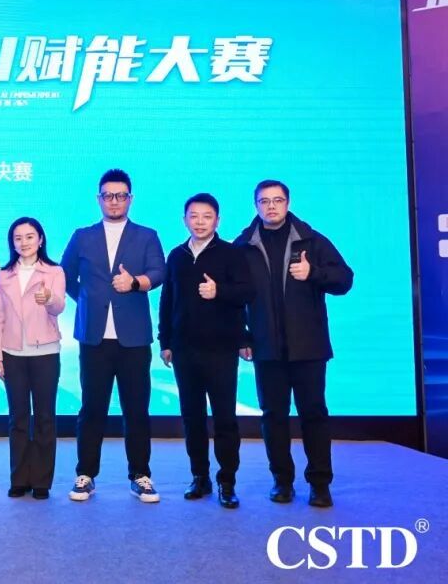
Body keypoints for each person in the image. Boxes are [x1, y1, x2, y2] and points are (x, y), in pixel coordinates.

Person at [234, 180, 353, 508]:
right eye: (264, 201)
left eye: (277, 200)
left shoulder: (312, 240)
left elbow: (345, 279)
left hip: (309, 347)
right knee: (273, 416)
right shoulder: (242, 246)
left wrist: (313, 273)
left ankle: (320, 484)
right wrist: (243, 337)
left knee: (314, 414)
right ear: (256, 205)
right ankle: (282, 481)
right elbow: (233, 299)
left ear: (287, 203)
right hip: (266, 348)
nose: (271, 206)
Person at [60, 168, 165, 503]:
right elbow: (65, 276)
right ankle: (85, 474)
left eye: (121, 195)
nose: (114, 201)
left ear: (130, 199)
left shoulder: (146, 235)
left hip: (133, 338)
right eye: (108, 195)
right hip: (93, 337)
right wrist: (88, 299)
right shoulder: (82, 236)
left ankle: (141, 475)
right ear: (99, 199)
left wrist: (134, 283)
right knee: (92, 409)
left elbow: (159, 272)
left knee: (137, 409)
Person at [158, 193, 254, 509]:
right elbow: (167, 301)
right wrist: (165, 341)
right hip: (184, 350)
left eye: (207, 216)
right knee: (193, 418)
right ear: (185, 219)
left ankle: (227, 482)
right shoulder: (176, 256)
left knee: (225, 418)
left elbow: (246, 294)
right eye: (194, 216)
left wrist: (219, 291)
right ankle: (200, 477)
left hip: (220, 349)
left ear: (217, 220)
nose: (200, 222)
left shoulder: (231, 253)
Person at [0, 217, 66, 500]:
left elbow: (59, 306)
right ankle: (19, 478)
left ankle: (42, 481)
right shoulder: (3, 275)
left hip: (45, 352)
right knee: (18, 418)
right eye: (18, 238)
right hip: (12, 354)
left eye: (30, 236)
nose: (24, 242)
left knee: (45, 416)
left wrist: (49, 299)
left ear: (41, 239)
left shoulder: (54, 271)